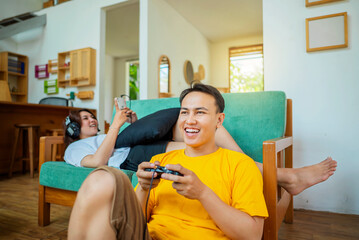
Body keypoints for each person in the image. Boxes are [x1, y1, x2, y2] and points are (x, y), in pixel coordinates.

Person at [68, 83, 337, 239]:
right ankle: (288, 176)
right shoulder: (162, 159)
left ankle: (286, 176)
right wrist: (144, 188)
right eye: (184, 112)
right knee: (102, 178)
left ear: (219, 121)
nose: (190, 120)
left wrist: (202, 193)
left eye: (200, 112)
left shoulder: (239, 165)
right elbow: (139, 219)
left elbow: (253, 235)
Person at [63, 99, 337, 196]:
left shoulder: (104, 135)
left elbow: (115, 142)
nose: (93, 120)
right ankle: (286, 176)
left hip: (136, 146)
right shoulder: (74, 149)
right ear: (73, 130)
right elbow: (99, 161)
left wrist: (129, 126)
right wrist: (115, 127)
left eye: (92, 116)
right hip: (131, 159)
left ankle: (247, 165)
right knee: (201, 149)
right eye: (86, 119)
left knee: (202, 124)